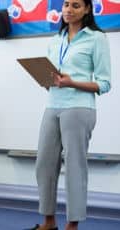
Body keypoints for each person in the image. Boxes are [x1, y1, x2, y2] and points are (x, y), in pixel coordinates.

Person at [30, 0, 111, 230]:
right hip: (53, 105)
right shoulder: (56, 40)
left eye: (76, 5)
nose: (68, 9)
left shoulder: (96, 38)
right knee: (44, 165)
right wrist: (46, 80)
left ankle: (72, 225)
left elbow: (104, 84)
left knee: (75, 167)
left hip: (79, 108)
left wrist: (71, 82)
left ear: (87, 9)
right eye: (66, 4)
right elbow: (54, 78)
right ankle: (48, 222)